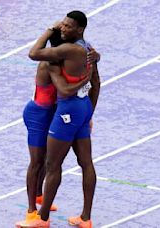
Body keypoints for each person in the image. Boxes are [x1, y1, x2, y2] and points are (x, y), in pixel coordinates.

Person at [16, 10, 101, 228]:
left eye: (67, 26)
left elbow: (36, 55)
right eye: (61, 26)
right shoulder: (88, 50)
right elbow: (96, 82)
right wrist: (89, 111)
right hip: (48, 113)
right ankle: (40, 208)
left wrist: (49, 30)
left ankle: (40, 218)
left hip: (63, 112)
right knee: (43, 162)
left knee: (51, 164)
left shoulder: (61, 56)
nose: (63, 28)